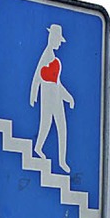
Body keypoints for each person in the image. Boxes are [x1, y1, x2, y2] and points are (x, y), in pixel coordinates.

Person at [29, 23, 74, 174]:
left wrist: (68, 98)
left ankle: (62, 161)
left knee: (62, 127)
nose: (59, 44)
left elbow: (58, 82)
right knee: (46, 124)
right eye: (58, 40)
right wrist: (33, 94)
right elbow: (37, 76)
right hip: (47, 95)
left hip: (56, 97)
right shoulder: (47, 55)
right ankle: (38, 148)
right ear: (52, 38)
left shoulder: (54, 57)